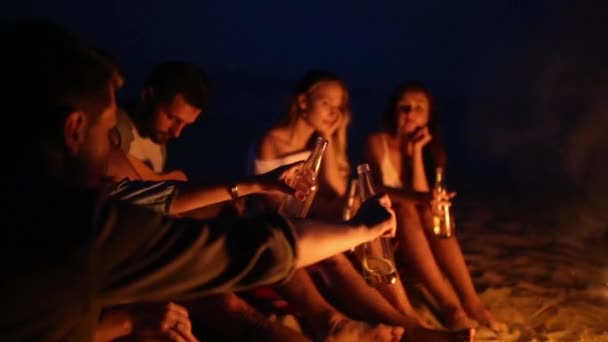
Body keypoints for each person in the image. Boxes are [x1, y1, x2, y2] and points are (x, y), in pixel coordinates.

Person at [0, 21, 397, 341]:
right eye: (107, 135)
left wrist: (255, 184)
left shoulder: (28, 202)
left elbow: (157, 196)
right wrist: (361, 228)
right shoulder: (80, 228)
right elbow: (253, 250)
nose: (113, 148)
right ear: (73, 130)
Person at [253, 70, 473, 341]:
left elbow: (336, 192)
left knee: (371, 235)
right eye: (326, 104)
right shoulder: (272, 142)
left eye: (339, 107)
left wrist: (327, 139)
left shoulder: (320, 142)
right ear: (302, 102)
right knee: (348, 244)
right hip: (286, 221)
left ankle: (410, 318)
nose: (334, 112)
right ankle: (412, 326)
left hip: (319, 216)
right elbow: (276, 205)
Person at [362, 81, 503, 331]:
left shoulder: (431, 151)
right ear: (393, 111)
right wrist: (423, 199)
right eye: (404, 107)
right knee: (406, 209)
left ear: (429, 117)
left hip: (417, 229)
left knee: (430, 212)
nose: (410, 113)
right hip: (387, 226)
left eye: (418, 108)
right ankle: (450, 306)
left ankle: (472, 302)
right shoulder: (376, 142)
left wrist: (416, 152)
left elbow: (424, 196)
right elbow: (379, 191)